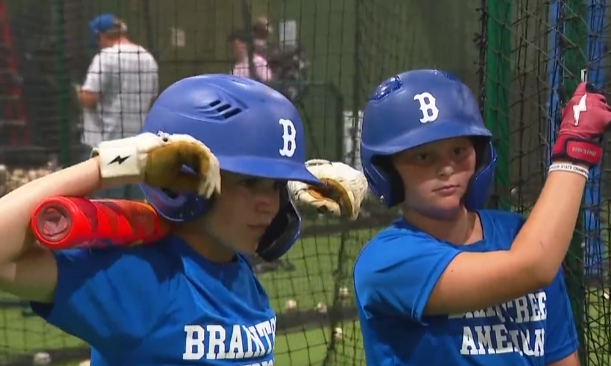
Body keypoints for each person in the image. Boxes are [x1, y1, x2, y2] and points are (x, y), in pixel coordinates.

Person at [0, 74, 366, 365]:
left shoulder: (234, 264)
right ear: (182, 178)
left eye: (275, 186)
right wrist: (111, 166)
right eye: (249, 182)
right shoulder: (139, 279)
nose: (268, 204)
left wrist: (297, 181)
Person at [353, 69, 611, 365]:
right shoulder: (387, 261)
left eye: (458, 150)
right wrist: (574, 150)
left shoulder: (523, 235)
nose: (446, 168)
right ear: (388, 170)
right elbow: (531, 267)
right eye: (423, 156)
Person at [76, 13, 159, 199]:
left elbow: (89, 98)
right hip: (139, 147)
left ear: (101, 36)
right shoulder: (147, 58)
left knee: (106, 211)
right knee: (134, 211)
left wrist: (78, 92)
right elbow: (152, 100)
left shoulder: (106, 57)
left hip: (107, 149)